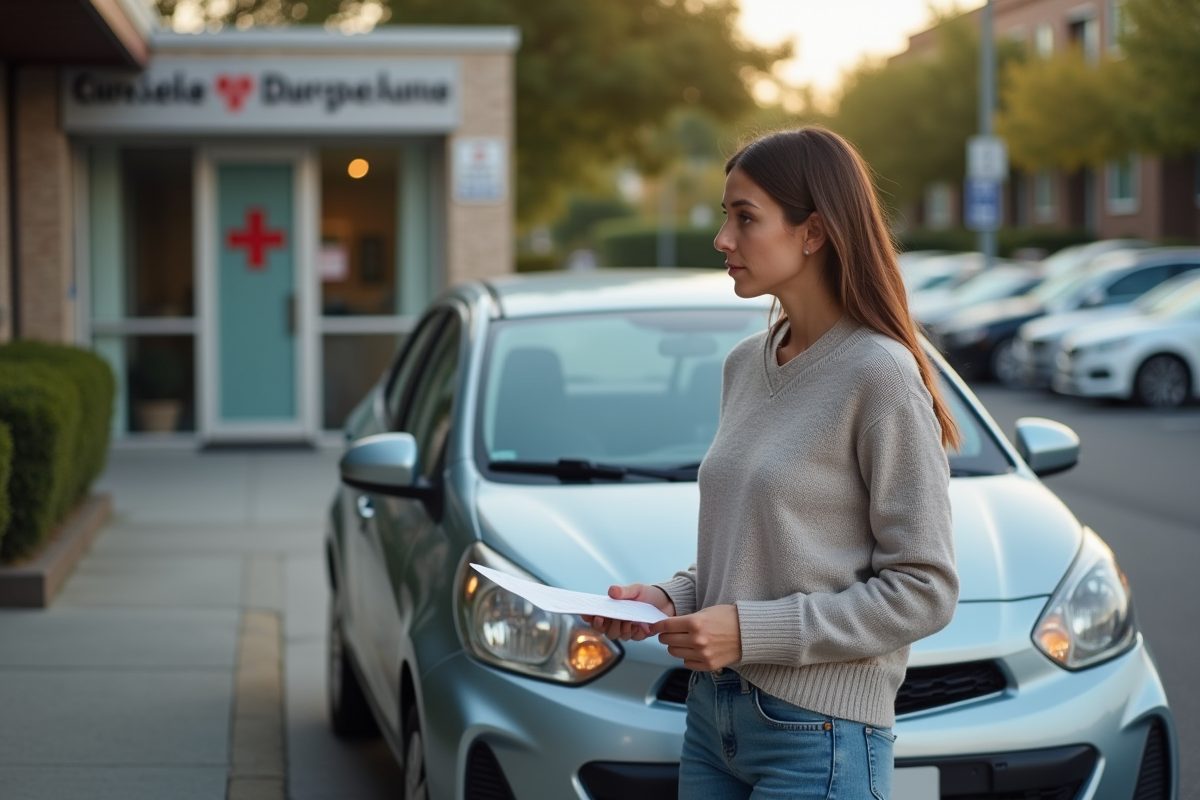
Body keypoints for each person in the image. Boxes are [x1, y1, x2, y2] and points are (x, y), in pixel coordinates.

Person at [584, 127, 962, 799]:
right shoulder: (744, 366)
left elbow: (925, 590)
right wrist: (667, 599)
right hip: (712, 718)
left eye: (745, 217)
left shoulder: (879, 373)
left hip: (820, 734)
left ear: (812, 232)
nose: (723, 239)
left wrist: (749, 630)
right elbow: (759, 547)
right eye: (725, 216)